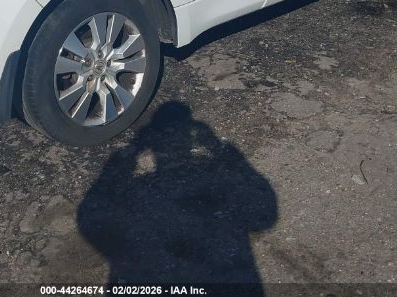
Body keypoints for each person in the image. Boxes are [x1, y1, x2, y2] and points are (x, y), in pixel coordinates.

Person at [78, 102, 278, 294]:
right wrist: (218, 148)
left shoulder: (140, 189)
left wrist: (132, 150)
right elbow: (264, 215)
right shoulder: (197, 177)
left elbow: (91, 218)